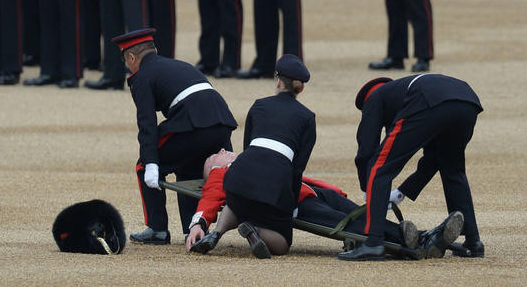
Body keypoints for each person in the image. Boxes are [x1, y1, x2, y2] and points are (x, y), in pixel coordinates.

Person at [339, 74, 483, 261]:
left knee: (379, 166)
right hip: (467, 101)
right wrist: (402, 192)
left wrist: (369, 190)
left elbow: (366, 151)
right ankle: (473, 242)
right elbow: (432, 160)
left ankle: (373, 243)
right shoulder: (400, 92)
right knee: (452, 168)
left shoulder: (374, 97)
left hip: (428, 98)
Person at [114, 28, 238, 245]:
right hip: (221, 123)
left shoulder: (141, 76)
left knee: (143, 166)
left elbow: (147, 124)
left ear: (132, 58)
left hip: (194, 125)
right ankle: (194, 227)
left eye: (127, 61)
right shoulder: (178, 64)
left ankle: (157, 229)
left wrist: (152, 162)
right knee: (188, 167)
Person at [189, 54, 314, 257]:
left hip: (240, 177)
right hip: (274, 185)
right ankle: (254, 230)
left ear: (278, 81)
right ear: (301, 88)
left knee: (237, 202)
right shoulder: (307, 117)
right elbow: (297, 168)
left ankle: (217, 233)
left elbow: (247, 148)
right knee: (283, 244)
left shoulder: (259, 105)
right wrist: (288, 205)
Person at [186, 151, 423, 256]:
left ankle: (406, 234)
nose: (222, 150)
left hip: (312, 193)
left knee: (361, 213)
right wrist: (199, 223)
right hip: (296, 203)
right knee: (346, 224)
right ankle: (404, 239)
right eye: (215, 156)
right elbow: (211, 197)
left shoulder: (251, 158)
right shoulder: (222, 172)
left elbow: (300, 175)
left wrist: (331, 191)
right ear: (213, 168)